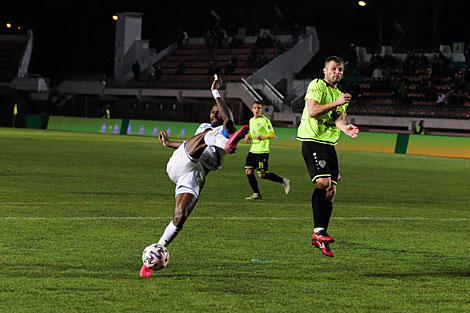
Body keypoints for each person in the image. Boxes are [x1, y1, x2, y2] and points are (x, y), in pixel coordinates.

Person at [140, 75, 249, 277]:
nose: (215, 114)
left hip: (194, 175)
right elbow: (190, 145)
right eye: (213, 111)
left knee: (180, 218)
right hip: (181, 162)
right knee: (206, 137)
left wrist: (216, 93)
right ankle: (226, 144)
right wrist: (169, 144)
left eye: (218, 112)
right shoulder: (205, 128)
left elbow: (230, 123)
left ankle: (153, 257)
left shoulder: (223, 129)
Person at [296, 56, 359, 257]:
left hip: (329, 144)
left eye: (340, 69)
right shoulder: (317, 85)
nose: (337, 72)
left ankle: (321, 235)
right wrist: (337, 102)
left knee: (331, 190)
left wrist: (345, 128)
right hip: (312, 140)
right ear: (325, 71)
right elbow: (313, 111)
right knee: (323, 182)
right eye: (333, 69)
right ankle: (318, 231)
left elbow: (338, 120)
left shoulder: (340, 95)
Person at [244, 101, 290, 200]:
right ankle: (256, 194)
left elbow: (272, 134)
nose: (257, 110)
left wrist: (264, 137)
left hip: (262, 151)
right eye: (255, 108)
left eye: (259, 108)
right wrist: (248, 136)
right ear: (252, 109)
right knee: (248, 171)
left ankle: (283, 181)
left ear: (261, 110)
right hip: (253, 150)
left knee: (262, 174)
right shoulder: (251, 120)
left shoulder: (265, 121)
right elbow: (252, 133)